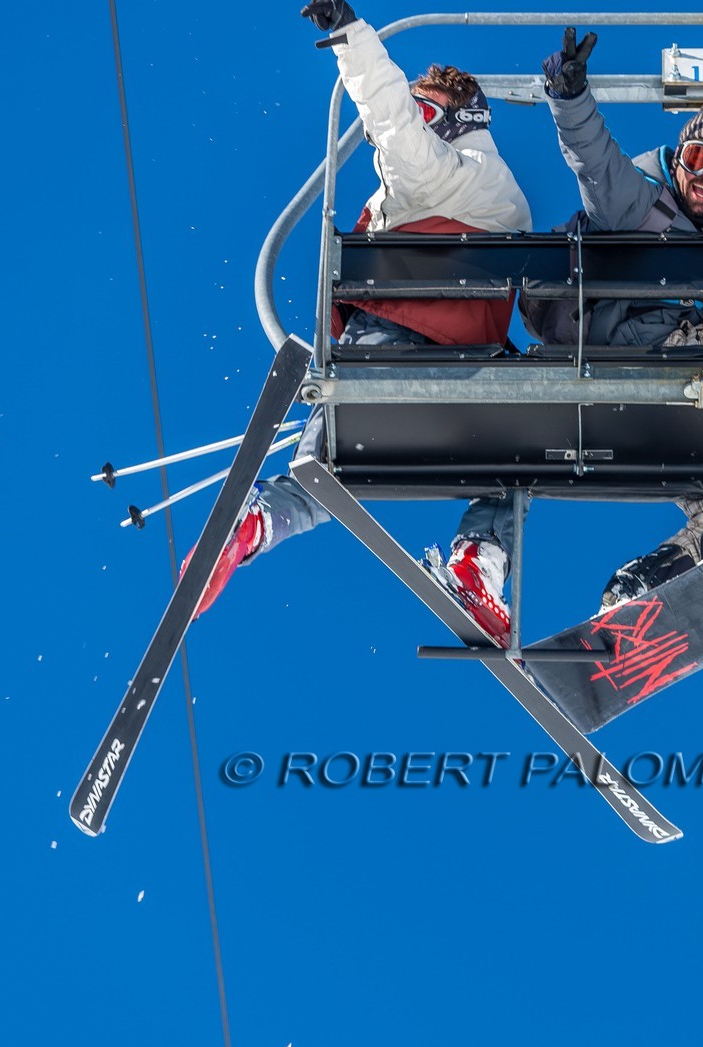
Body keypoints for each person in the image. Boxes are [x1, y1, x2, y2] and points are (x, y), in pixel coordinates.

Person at [180, 0, 534, 647]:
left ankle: (258, 519)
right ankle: (478, 562)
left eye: (429, 113)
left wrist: (353, 40)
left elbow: (395, 126)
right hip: (466, 390)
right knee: (517, 469)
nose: (407, 130)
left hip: (389, 353)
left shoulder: (443, 171)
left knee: (335, 462)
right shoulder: (504, 200)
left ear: (458, 120)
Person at [527, 27, 703, 610]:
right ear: (678, 157)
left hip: (674, 395)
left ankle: (649, 580)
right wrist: (570, 97)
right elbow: (595, 163)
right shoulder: (639, 202)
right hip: (638, 361)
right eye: (697, 158)